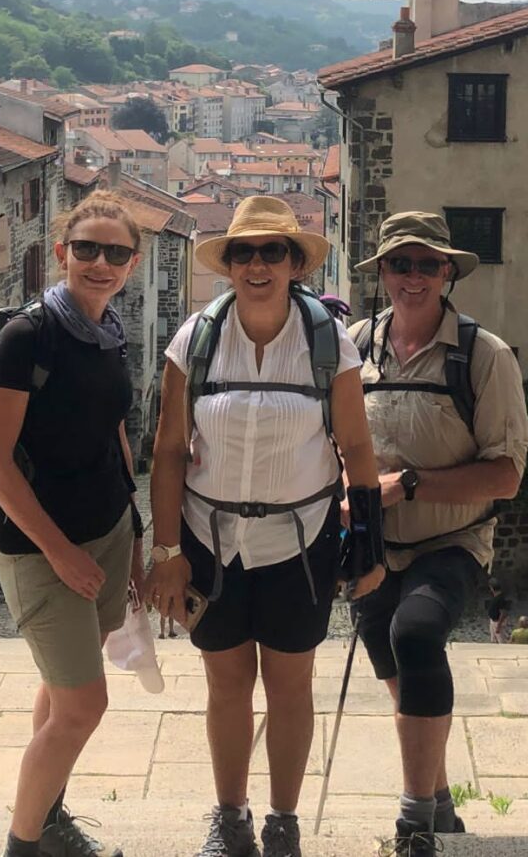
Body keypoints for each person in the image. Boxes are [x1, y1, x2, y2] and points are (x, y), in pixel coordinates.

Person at [146, 196, 386, 857]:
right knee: (226, 685)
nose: (257, 265)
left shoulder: (325, 341)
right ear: (228, 265)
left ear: (292, 264)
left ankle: (282, 821)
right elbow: (168, 451)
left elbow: (357, 449)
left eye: (271, 252)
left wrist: (368, 544)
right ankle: (230, 819)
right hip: (209, 542)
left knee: (289, 685)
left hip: (300, 543)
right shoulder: (192, 341)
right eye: (244, 253)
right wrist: (165, 550)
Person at [347, 210, 528, 856]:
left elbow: (505, 476)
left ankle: (413, 822)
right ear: (383, 273)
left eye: (428, 264)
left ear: (448, 272)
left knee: (417, 635)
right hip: (371, 544)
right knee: (393, 662)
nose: (413, 277)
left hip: (451, 541)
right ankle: (442, 798)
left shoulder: (484, 356)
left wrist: (412, 485)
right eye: (401, 264)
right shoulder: (353, 346)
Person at [0, 194, 148, 857]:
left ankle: (47, 819)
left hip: (105, 530)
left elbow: (113, 436)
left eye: (115, 253)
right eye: (87, 249)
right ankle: (24, 845)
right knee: (83, 705)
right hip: (38, 548)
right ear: (62, 254)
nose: (100, 263)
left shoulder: (108, 335)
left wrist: (132, 535)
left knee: (59, 688)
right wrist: (61, 554)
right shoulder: (28, 337)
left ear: (132, 265)